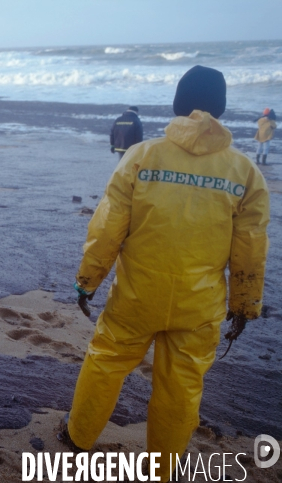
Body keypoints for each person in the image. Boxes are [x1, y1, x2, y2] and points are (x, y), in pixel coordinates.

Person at [64, 66, 269, 481]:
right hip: (199, 306)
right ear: (223, 109)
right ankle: (163, 467)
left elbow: (107, 230)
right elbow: (250, 251)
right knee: (182, 385)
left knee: (105, 362)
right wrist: (245, 306)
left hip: (136, 297)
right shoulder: (245, 173)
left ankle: (78, 439)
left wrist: (87, 281)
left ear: (178, 104)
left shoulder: (142, 157)